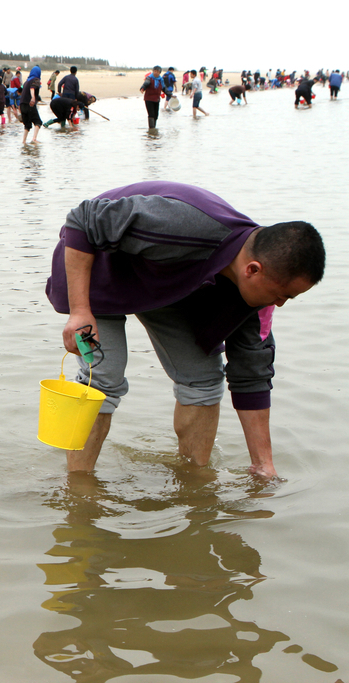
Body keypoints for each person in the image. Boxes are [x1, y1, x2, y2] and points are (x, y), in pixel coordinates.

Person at [45, 181, 325, 478]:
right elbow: (83, 220)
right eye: (282, 295)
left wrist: (263, 465)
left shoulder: (256, 298)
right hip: (97, 269)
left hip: (164, 281)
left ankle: (193, 482)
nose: (280, 304)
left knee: (204, 380)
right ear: (252, 270)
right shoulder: (185, 225)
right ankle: (79, 487)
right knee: (103, 379)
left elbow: (252, 374)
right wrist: (80, 311)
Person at [20, 65, 43, 144]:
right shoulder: (36, 79)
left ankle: (24, 141)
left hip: (22, 104)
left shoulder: (26, 81)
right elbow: (32, 88)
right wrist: (33, 98)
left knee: (27, 125)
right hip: (29, 104)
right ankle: (34, 138)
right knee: (38, 122)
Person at [140, 65, 165, 130]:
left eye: (157, 71)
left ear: (159, 72)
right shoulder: (149, 78)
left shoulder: (161, 80)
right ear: (153, 71)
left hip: (156, 99)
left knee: (156, 115)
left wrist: (170, 94)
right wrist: (143, 88)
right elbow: (146, 83)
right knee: (151, 114)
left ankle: (153, 129)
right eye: (155, 71)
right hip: (149, 99)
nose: (156, 72)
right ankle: (151, 129)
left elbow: (164, 88)